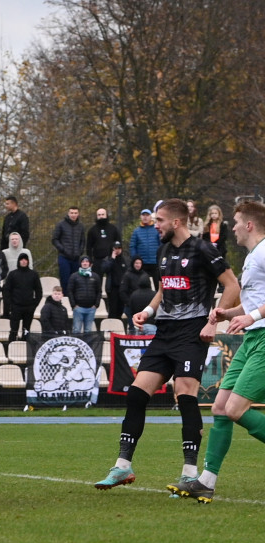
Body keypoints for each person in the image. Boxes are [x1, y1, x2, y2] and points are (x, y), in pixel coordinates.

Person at [94, 198, 240, 491]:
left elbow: (232, 285)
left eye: (159, 220)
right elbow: (164, 287)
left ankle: (189, 472)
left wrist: (214, 320)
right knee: (136, 394)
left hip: (192, 332)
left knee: (185, 394)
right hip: (164, 332)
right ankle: (122, 467)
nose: (155, 225)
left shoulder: (203, 249)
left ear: (176, 222)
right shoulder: (162, 251)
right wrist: (148, 311)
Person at [169, 201, 265, 502]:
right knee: (220, 407)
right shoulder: (253, 255)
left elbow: (256, 310)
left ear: (249, 224)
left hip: (263, 338)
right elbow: (253, 302)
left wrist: (252, 317)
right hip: (251, 338)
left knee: (236, 410)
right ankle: (206, 481)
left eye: (236, 222)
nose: (232, 227)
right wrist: (229, 313)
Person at [2, 252, 42, 341]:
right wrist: (10, 305)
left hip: (29, 307)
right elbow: (6, 290)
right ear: (19, 261)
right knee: (13, 330)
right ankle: (11, 348)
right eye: (22, 260)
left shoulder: (34, 274)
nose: (23, 262)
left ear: (28, 261)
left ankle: (24, 350)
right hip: (16, 307)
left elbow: (39, 291)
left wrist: (34, 304)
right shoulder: (12, 274)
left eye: (25, 260)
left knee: (26, 330)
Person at [52, 206, 85, 290]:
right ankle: (65, 300)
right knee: (65, 281)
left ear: (78, 214)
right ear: (68, 213)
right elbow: (55, 239)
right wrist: (62, 249)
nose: (73, 215)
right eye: (72, 213)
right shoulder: (61, 224)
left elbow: (83, 240)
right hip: (64, 257)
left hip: (76, 258)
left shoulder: (81, 226)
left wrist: (80, 251)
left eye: (75, 213)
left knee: (76, 281)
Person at [67, 255, 101, 333]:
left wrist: (96, 305)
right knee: (76, 330)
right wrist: (73, 305)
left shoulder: (95, 276)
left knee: (88, 331)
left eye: (87, 261)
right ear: (80, 263)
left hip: (91, 309)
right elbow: (70, 291)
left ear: (90, 263)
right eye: (83, 261)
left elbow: (99, 291)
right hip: (78, 308)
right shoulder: (74, 276)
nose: (85, 263)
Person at [120, 256, 153, 331]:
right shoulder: (127, 275)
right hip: (130, 306)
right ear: (133, 264)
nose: (138, 265)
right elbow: (122, 291)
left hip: (144, 306)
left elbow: (149, 288)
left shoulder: (145, 274)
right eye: (136, 263)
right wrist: (129, 303)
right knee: (133, 327)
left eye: (140, 263)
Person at [129, 209, 160, 288]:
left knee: (158, 285)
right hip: (142, 263)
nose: (145, 217)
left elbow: (161, 244)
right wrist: (135, 259)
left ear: (150, 217)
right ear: (140, 217)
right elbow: (133, 246)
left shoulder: (157, 230)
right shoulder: (136, 231)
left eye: (147, 215)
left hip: (155, 262)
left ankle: (159, 300)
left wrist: (160, 257)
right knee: (141, 285)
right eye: (143, 215)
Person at [86, 208, 122, 276]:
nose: (101, 216)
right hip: (97, 260)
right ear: (96, 216)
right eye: (99, 215)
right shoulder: (92, 230)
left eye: (103, 214)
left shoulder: (113, 228)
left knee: (111, 283)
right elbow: (89, 247)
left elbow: (119, 243)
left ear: (106, 215)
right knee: (97, 283)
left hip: (111, 259)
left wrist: (118, 258)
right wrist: (90, 260)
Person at [101, 240, 128, 320]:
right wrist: (112, 259)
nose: (117, 250)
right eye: (115, 248)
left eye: (119, 248)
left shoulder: (125, 260)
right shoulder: (107, 259)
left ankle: (118, 327)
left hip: (122, 288)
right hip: (112, 289)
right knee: (112, 310)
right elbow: (105, 269)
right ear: (112, 249)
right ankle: (111, 327)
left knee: (120, 310)